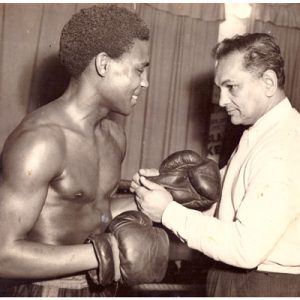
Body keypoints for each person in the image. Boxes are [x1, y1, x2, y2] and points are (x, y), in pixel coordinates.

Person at [0, 5, 170, 297]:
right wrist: (102, 254)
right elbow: (3, 253)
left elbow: (92, 211)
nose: (145, 82)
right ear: (103, 64)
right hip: (44, 290)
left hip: (99, 289)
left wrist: (155, 198)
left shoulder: (114, 137)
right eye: (139, 69)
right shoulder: (42, 141)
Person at [131, 33, 300, 296]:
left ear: (268, 82)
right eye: (219, 88)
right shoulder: (258, 133)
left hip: (264, 285)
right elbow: (221, 204)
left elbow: (246, 249)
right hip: (238, 279)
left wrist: (167, 212)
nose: (221, 101)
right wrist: (168, 186)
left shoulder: (284, 144)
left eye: (231, 87)